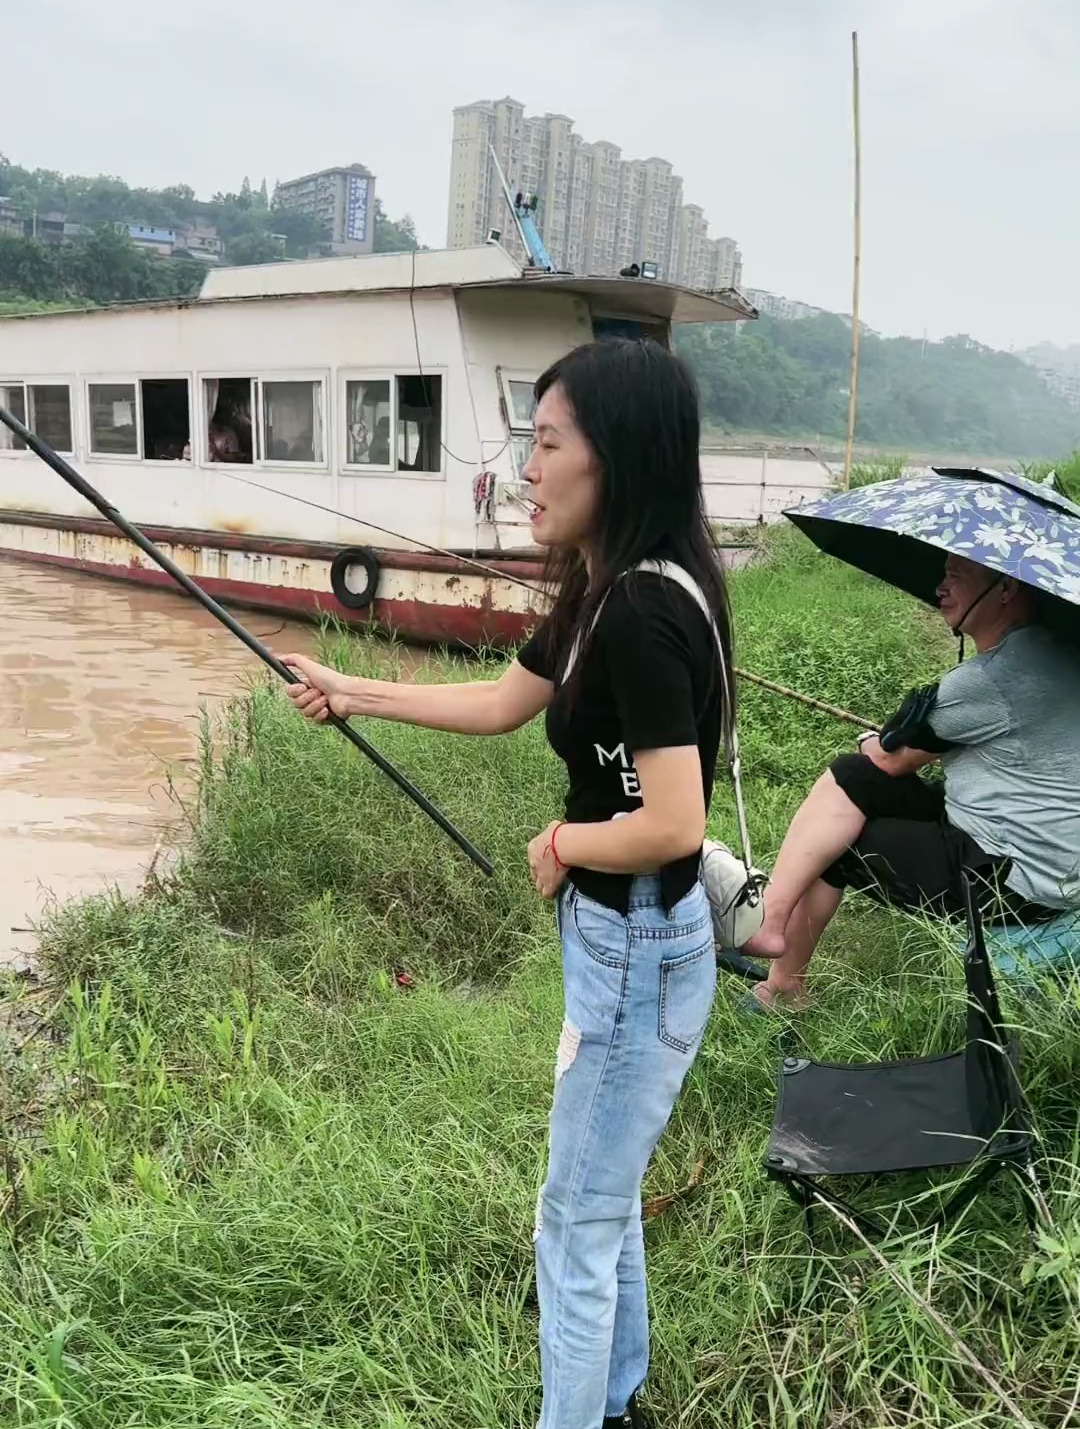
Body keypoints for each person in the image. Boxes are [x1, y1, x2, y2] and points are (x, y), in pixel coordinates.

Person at [279, 338, 734, 1429]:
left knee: (571, 1220)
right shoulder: (610, 588)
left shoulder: (639, 611)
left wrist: (566, 842)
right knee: (603, 1195)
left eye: (548, 443)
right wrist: (351, 689)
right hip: (637, 944)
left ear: (616, 456)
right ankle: (617, 1400)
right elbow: (497, 701)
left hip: (636, 947)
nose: (526, 468)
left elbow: (675, 823)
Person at [743, 552, 1080, 1009]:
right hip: (1054, 856)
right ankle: (774, 928)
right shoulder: (1058, 650)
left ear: (1006, 587)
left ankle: (782, 981)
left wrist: (878, 743)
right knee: (853, 777)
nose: (941, 588)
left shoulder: (996, 677)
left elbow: (889, 758)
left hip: (1017, 879)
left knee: (833, 839)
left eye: (957, 576)